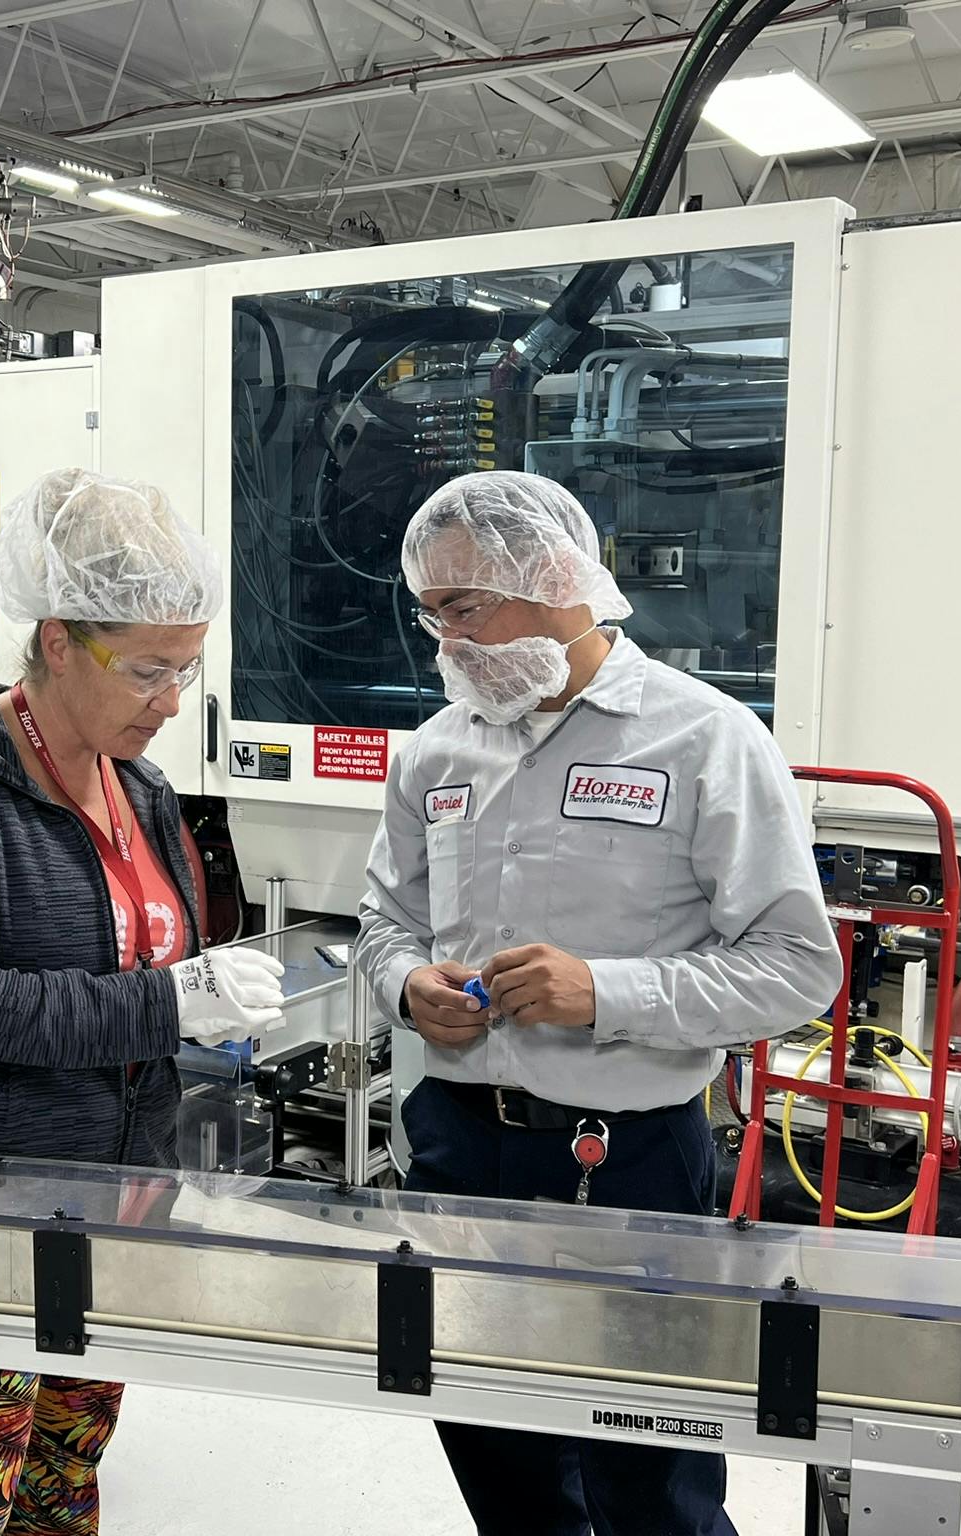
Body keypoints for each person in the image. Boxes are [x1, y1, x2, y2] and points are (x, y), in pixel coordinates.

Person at [357, 470, 841, 1536]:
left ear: (556, 577)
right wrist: (406, 984)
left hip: (625, 1160)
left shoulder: (703, 739)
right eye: (431, 615)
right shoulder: (438, 749)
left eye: (465, 607)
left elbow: (797, 966)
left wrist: (602, 994)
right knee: (492, 1443)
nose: (446, 642)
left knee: (647, 1473)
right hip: (456, 1147)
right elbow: (383, 921)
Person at [0, 466, 286, 1536]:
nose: (171, 701)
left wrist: (201, 993)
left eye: (185, 669)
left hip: (112, 1203)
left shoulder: (140, 786)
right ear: (58, 641)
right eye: (148, 670)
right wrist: (168, 1003)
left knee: (62, 1485)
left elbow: (148, 961)